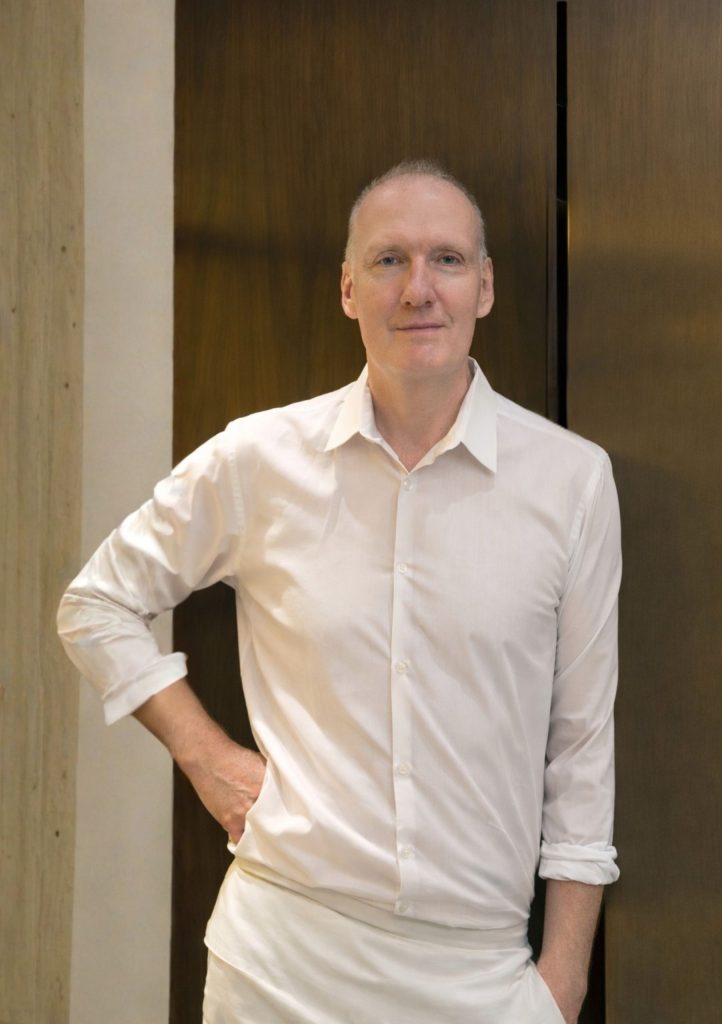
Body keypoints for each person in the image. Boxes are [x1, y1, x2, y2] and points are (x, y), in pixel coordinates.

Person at [58, 160, 621, 1023]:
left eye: (447, 260)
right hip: (280, 960)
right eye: (390, 261)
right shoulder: (259, 459)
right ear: (349, 288)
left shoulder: (572, 482)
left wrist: (563, 980)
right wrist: (208, 761)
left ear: (486, 287)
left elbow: (581, 749)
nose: (419, 290)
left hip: (478, 974)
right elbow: (96, 603)